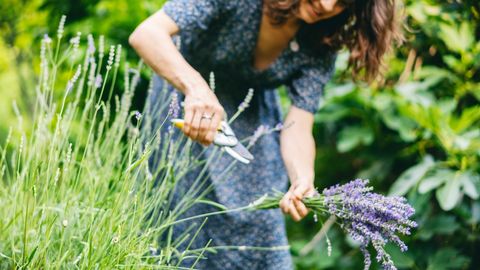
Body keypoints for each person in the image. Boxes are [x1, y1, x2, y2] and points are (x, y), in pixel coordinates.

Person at [129, 0, 403, 269]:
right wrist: (196, 90)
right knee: (182, 219)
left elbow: (299, 124)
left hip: (253, 118)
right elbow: (147, 34)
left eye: (343, 2)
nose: (327, 5)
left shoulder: (322, 40)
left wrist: (302, 178)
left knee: (260, 224)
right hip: (186, 100)